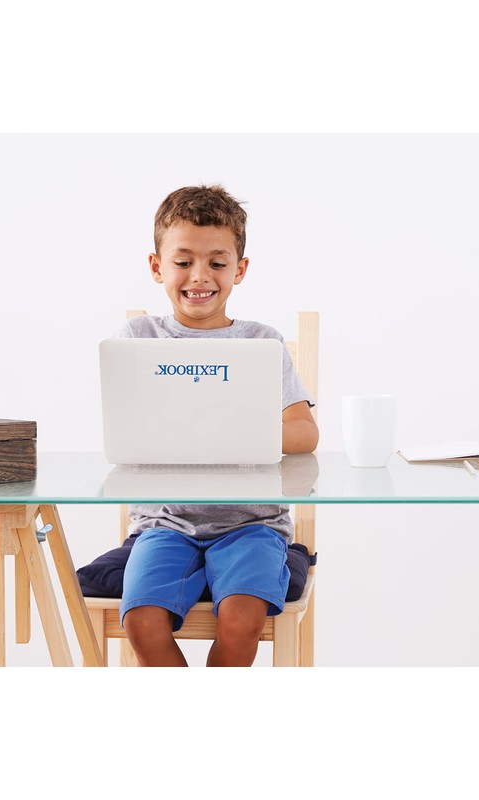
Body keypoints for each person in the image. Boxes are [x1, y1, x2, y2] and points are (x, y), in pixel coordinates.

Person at [115, 184, 319, 666]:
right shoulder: (138, 338)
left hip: (252, 524)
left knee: (241, 621)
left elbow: (305, 433)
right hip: (163, 522)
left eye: (217, 263)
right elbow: (121, 431)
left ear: (239, 270)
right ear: (157, 267)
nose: (200, 276)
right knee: (142, 621)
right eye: (183, 261)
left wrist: (230, 435)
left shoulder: (262, 342)